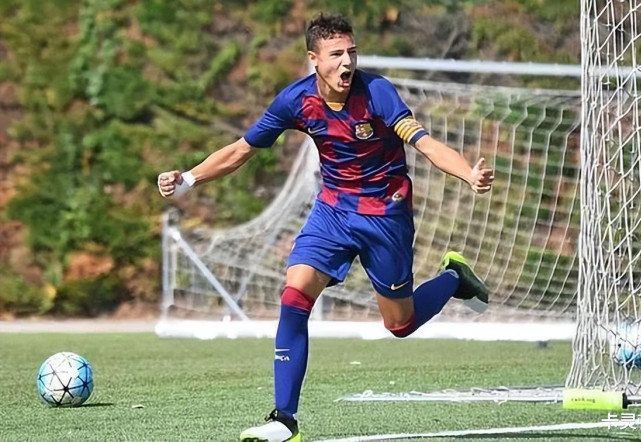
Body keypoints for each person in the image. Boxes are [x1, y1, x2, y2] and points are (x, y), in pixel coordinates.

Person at [157, 12, 494, 442]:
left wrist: (468, 174)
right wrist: (187, 179)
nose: (347, 62)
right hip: (333, 211)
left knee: (400, 324)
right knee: (294, 294)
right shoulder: (296, 101)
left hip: (384, 215)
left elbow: (424, 143)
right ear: (313, 59)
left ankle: (454, 278)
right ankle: (284, 419)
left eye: (352, 52)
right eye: (336, 54)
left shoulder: (378, 93)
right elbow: (242, 150)